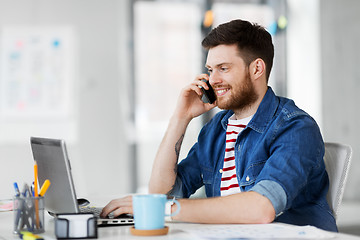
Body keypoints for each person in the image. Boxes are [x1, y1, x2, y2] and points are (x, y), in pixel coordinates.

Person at [101, 19, 337, 232]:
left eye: (223, 68)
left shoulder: (295, 127)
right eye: (210, 70)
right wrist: (180, 118)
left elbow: (261, 208)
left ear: (256, 68)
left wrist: (163, 209)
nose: (212, 80)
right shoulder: (217, 129)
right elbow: (163, 194)